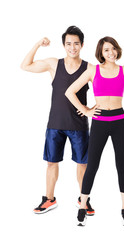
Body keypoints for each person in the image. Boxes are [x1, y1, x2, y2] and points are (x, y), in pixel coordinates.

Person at [65, 35, 124, 226]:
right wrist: (86, 110)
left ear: (117, 50)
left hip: (119, 122)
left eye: (113, 49)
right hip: (100, 123)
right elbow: (70, 91)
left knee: (121, 165)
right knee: (92, 166)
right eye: (106, 50)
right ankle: (83, 206)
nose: (111, 53)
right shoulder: (93, 70)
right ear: (101, 53)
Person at [20, 26, 95, 215]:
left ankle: (84, 200)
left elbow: (104, 88)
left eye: (76, 44)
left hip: (78, 126)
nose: (72, 47)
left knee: (82, 164)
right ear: (64, 45)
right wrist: (38, 44)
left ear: (82, 45)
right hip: (55, 124)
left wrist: (91, 109)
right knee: (51, 163)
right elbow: (25, 65)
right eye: (68, 44)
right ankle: (49, 199)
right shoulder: (54, 64)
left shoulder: (89, 68)